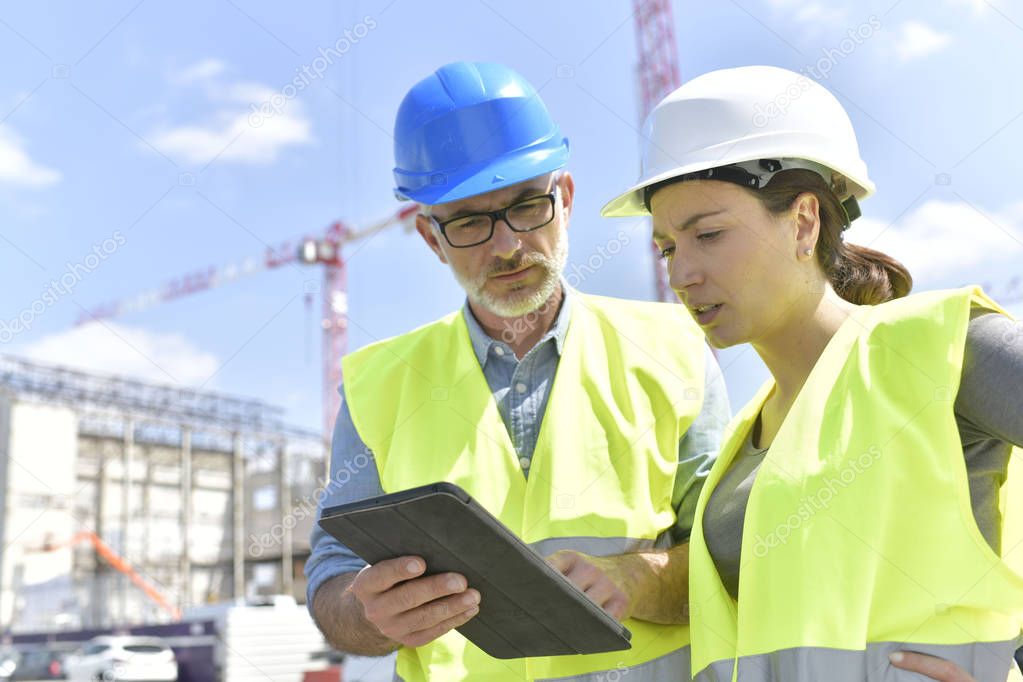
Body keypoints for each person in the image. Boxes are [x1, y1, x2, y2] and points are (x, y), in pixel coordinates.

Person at [304, 61, 731, 681]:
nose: (506, 246)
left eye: (527, 206)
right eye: (471, 221)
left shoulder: (675, 350)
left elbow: (737, 556)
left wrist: (640, 579)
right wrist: (367, 614)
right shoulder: (378, 385)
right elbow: (331, 576)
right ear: (431, 237)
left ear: (567, 200)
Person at [601, 65, 1023, 682]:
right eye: (667, 247)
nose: (681, 273)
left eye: (709, 235)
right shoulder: (743, 440)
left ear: (803, 222)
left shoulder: (939, 345)